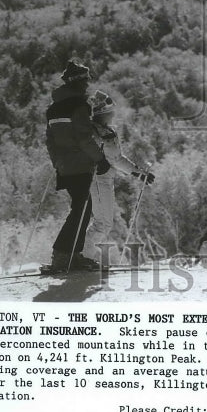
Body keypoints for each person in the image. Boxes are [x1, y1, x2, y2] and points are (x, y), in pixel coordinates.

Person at [44, 60, 104, 272]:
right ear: (77, 83)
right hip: (81, 165)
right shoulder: (80, 106)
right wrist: (101, 159)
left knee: (82, 208)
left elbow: (50, 141)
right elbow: (84, 138)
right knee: (82, 209)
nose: (87, 85)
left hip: (64, 167)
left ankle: (72, 255)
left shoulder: (52, 109)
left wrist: (57, 162)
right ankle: (62, 255)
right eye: (85, 81)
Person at [83, 90, 154, 265]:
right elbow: (114, 159)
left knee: (102, 222)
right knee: (103, 223)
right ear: (103, 112)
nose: (114, 113)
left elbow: (117, 159)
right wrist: (137, 173)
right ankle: (83, 257)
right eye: (111, 110)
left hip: (104, 179)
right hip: (98, 180)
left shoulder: (106, 131)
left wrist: (138, 173)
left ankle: (83, 255)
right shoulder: (96, 132)